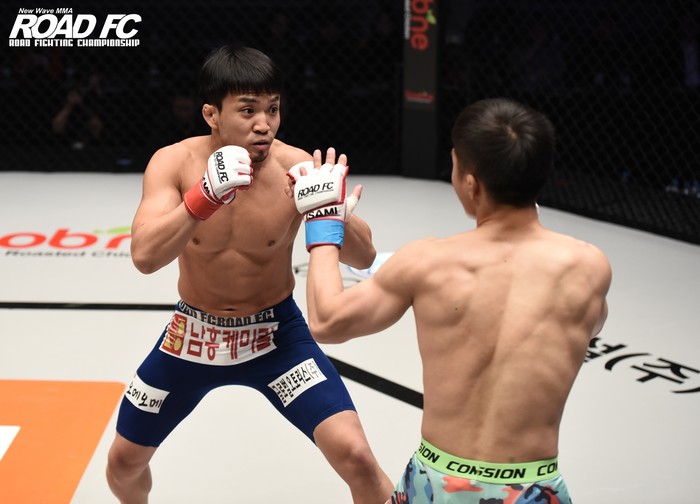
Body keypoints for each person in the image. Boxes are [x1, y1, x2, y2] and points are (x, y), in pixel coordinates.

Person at [105, 45, 393, 503]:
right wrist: (201, 198)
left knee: (357, 456)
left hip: (276, 336)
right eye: (248, 110)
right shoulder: (174, 163)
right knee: (123, 464)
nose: (264, 124)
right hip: (193, 336)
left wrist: (333, 210)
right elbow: (144, 256)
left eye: (272, 108)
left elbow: (364, 256)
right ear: (211, 115)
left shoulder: (295, 166)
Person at [298, 98, 612, 503]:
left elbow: (327, 321)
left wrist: (323, 218)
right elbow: (592, 324)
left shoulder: (428, 261)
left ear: (471, 183)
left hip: (438, 483)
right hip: (534, 488)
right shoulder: (588, 266)